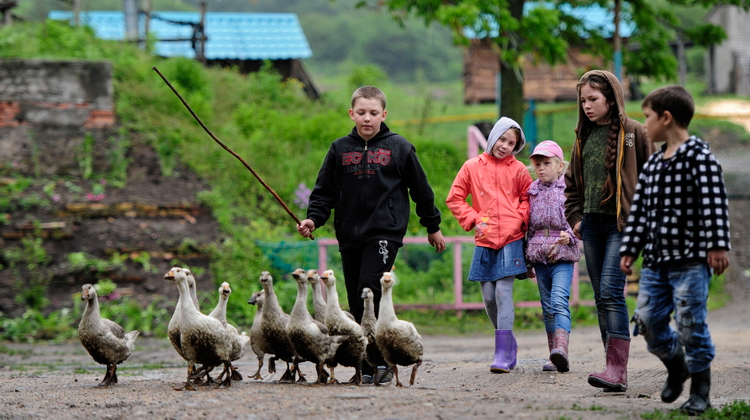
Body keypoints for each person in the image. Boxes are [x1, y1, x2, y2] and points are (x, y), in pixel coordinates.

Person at [297, 85, 446, 383]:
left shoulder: (399, 147)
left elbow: (421, 189)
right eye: (361, 113)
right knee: (354, 299)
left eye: (373, 113)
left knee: (369, 290)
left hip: (385, 231)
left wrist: (432, 226)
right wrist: (314, 219)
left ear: (384, 114)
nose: (367, 119)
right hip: (349, 232)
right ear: (352, 113)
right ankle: (366, 361)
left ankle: (380, 362)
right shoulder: (339, 149)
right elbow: (324, 191)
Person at [619, 85, 730, 415]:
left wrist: (717, 245)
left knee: (690, 324)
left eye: (648, 117)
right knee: (649, 321)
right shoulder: (653, 165)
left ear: (666, 119)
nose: (646, 123)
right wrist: (630, 249)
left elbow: (714, 204)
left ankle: (700, 390)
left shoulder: (700, 157)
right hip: (655, 262)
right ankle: (676, 366)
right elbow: (639, 212)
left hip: (691, 262)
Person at [564, 69, 655, 391]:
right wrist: (576, 218)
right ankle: (611, 367)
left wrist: (645, 224)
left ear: (611, 98)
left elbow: (652, 179)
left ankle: (617, 369)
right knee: (601, 298)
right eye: (583, 100)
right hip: (591, 225)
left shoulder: (634, 132)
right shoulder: (582, 137)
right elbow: (571, 185)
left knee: (611, 292)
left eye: (594, 99)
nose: (587, 105)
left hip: (623, 226)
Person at [446, 117, 532, 373]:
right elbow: (455, 198)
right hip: (485, 239)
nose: (505, 146)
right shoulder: (471, 166)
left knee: (503, 293)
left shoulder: (519, 170)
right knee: (488, 297)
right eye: (503, 139)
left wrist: (518, 218)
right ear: (494, 136)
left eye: (512, 143)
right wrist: (474, 219)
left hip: (511, 238)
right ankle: (509, 343)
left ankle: (502, 353)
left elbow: (528, 199)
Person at [526, 140, 581, 373]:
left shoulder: (569, 190)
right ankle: (553, 356)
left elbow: (578, 216)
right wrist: (526, 259)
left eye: (547, 163)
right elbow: (526, 226)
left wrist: (570, 235)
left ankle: (562, 350)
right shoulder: (532, 192)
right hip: (539, 255)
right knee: (547, 306)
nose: (541, 168)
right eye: (537, 164)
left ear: (560, 166)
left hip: (563, 255)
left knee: (559, 300)